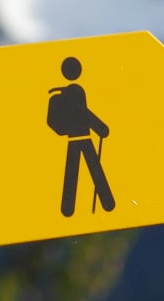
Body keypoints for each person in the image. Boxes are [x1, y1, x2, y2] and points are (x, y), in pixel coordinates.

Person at [47, 56, 115, 217]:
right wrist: (101, 128)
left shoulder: (64, 93)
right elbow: (84, 112)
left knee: (73, 171)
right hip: (84, 137)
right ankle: (107, 203)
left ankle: (68, 209)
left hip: (73, 140)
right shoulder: (76, 91)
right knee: (94, 169)